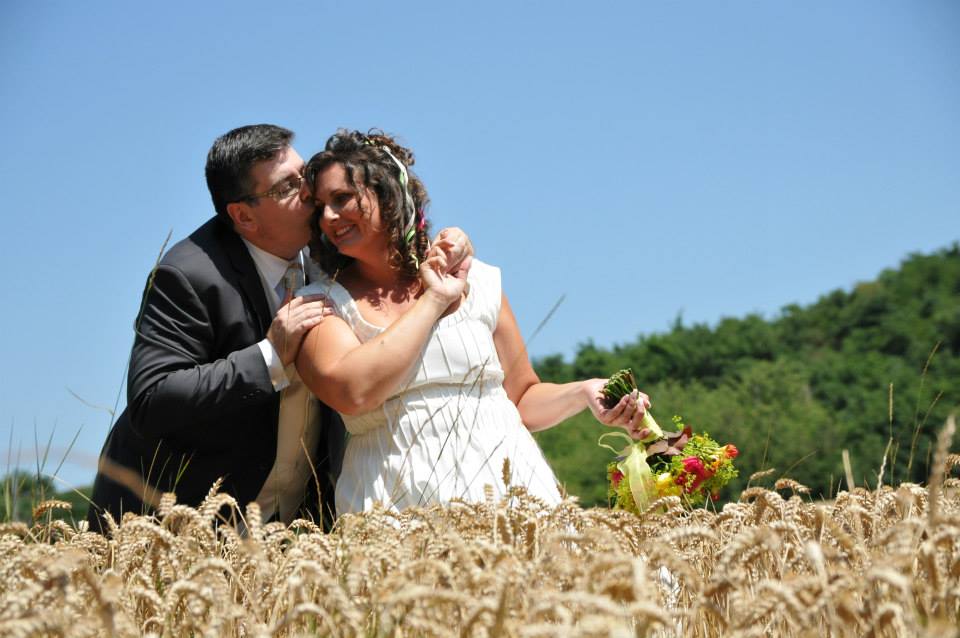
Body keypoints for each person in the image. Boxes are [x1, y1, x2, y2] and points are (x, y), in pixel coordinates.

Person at [87, 124, 473, 532]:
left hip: (299, 527)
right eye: (287, 187)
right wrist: (268, 356)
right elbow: (151, 398)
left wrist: (450, 243)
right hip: (176, 521)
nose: (310, 192)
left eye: (304, 174)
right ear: (244, 216)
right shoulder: (188, 274)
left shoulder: (331, 248)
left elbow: (390, 243)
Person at [295, 130, 652, 514]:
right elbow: (353, 393)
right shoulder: (320, 304)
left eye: (342, 198)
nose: (329, 217)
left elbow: (522, 400)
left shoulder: (478, 280)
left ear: (388, 192)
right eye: (319, 207)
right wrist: (434, 300)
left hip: (512, 491)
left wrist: (583, 392)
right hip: (396, 502)